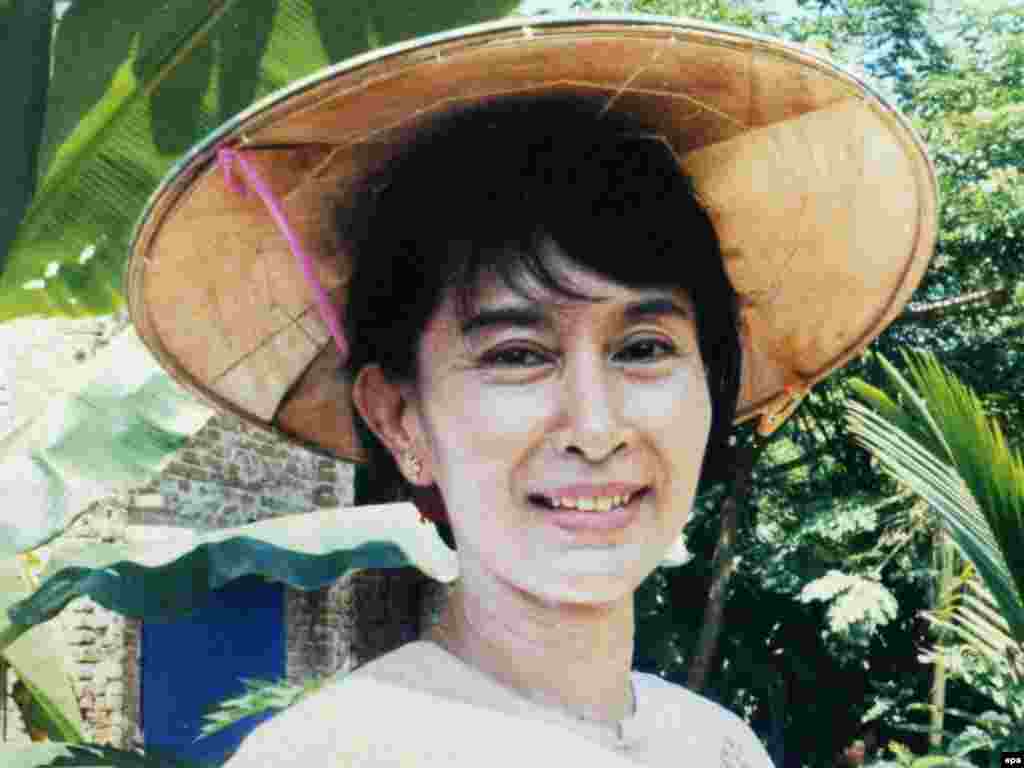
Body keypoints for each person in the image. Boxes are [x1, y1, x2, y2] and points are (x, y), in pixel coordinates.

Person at [127, 14, 938, 767]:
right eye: (518, 355)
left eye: (645, 348)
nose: (595, 426)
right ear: (400, 418)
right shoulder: (334, 755)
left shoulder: (715, 747)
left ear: (713, 383)